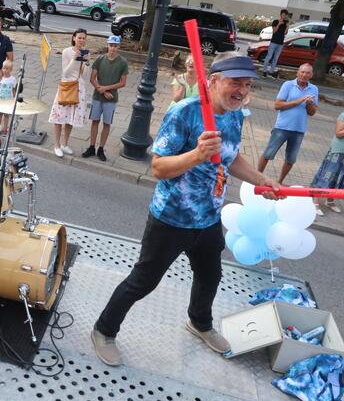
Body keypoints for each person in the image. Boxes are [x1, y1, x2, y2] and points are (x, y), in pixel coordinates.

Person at [91, 52, 281, 367]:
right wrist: (196, 154)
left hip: (208, 218)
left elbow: (231, 158)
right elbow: (158, 168)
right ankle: (103, 330)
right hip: (172, 219)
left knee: (210, 275)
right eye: (235, 82)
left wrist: (261, 180)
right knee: (143, 281)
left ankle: (200, 323)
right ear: (214, 81)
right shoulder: (185, 112)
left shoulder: (235, 114)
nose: (241, 91)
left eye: (247, 85)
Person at [257, 63, 318, 183]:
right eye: (302, 72)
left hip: (299, 130)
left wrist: (309, 104)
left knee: (291, 159)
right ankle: (257, 177)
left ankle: (280, 182)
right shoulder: (288, 85)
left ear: (311, 75)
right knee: (268, 154)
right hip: (282, 127)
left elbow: (312, 113)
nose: (304, 75)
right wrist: (298, 100)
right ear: (297, 72)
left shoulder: (314, 89)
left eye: (307, 73)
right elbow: (277, 105)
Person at [82, 35, 128, 162]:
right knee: (95, 121)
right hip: (98, 97)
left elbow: (123, 83)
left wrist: (106, 89)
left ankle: (101, 149)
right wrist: (101, 90)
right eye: (111, 45)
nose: (113, 48)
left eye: (115, 46)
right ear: (107, 45)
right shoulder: (100, 59)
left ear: (118, 47)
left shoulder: (123, 62)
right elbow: (92, 78)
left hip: (111, 98)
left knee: (107, 123)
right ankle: (91, 147)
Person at [49, 28, 91, 158]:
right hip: (67, 87)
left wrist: (87, 62)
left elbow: (85, 75)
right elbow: (65, 73)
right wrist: (74, 59)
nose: (81, 40)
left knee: (71, 118)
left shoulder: (85, 52)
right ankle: (56, 145)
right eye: (79, 37)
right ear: (74, 38)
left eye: (84, 38)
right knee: (59, 116)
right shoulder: (67, 52)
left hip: (79, 88)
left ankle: (64, 144)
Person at [263, 9, 290, 78]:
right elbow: (274, 31)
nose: (284, 16)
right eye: (283, 15)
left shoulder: (286, 22)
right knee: (269, 56)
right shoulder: (275, 21)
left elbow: (285, 33)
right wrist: (279, 24)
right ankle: (264, 71)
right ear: (280, 14)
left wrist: (287, 26)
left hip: (280, 43)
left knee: (276, 58)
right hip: (273, 42)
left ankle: (271, 72)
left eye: (285, 15)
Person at [0, 59, 17, 133]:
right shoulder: (0, 79)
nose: (5, 70)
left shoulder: (13, 79)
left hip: (8, 101)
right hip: (0, 100)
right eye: (3, 68)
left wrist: (14, 99)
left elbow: (14, 90)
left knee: (6, 115)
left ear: (11, 70)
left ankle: (5, 128)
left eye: (7, 68)